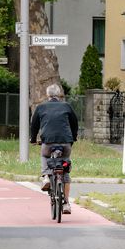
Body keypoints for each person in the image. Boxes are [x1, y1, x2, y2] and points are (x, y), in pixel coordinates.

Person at [30, 83, 79, 214]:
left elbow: (34, 125)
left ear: (48, 95)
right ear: (59, 95)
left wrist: (33, 139)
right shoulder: (66, 106)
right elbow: (75, 123)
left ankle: (46, 176)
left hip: (48, 142)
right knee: (65, 169)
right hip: (65, 143)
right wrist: (73, 137)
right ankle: (67, 204)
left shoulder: (41, 107)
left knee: (45, 156)